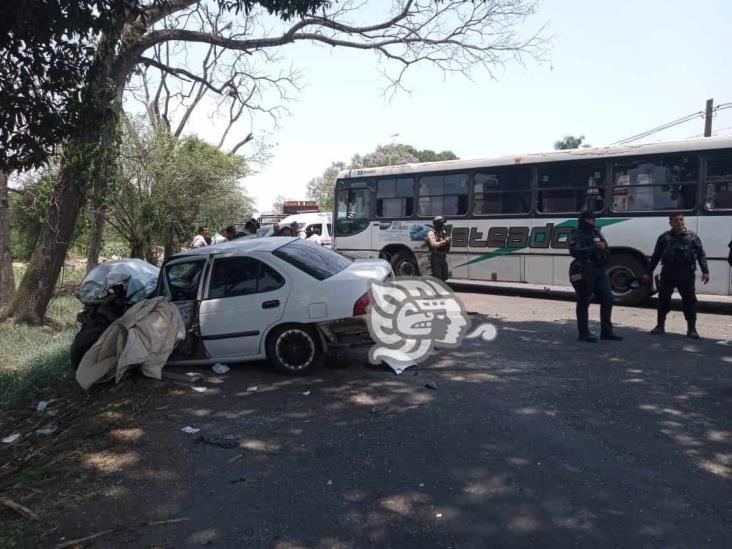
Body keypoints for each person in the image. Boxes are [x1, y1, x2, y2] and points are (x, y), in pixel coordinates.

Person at [642, 213, 709, 339]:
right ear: (670, 222)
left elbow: (701, 254)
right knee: (663, 300)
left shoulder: (692, 237)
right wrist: (647, 272)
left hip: (686, 274)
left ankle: (692, 329)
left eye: (681, 220)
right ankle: (660, 325)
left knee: (689, 302)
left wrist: (705, 271)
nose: (680, 222)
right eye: (676, 220)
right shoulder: (664, 238)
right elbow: (656, 256)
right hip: (668, 273)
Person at [568, 210, 622, 342]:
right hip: (585, 270)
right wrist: (593, 247)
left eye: (594, 219)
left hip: (599, 270)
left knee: (608, 299)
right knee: (584, 301)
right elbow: (574, 251)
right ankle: (584, 333)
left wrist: (603, 249)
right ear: (584, 220)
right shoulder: (576, 234)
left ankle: (607, 331)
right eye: (591, 219)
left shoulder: (596, 232)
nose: (593, 221)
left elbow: (606, 248)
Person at [425, 216, 451, 281]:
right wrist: (444, 241)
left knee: (445, 276)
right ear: (437, 224)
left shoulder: (442, 232)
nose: (442, 225)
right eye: (441, 224)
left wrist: (448, 241)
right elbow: (433, 244)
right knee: (437, 277)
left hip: (442, 257)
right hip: (435, 257)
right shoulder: (431, 233)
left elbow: (446, 243)